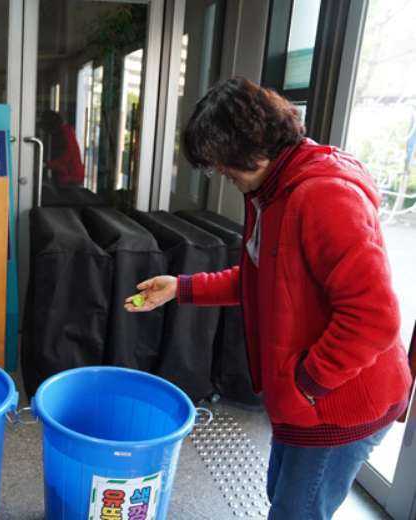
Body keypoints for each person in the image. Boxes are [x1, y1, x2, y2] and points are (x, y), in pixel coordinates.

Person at [125, 77, 412, 520]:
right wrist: (181, 288)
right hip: (305, 404)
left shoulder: (322, 196)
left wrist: (306, 383)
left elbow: (375, 318)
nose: (223, 175)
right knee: (283, 494)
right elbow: (266, 279)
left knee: (295, 511)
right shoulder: (272, 188)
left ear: (252, 146)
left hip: (337, 406)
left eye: (224, 165)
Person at [39, 110, 85, 187]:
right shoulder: (64, 132)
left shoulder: (64, 133)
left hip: (71, 177)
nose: (46, 132)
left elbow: (67, 156)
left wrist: (48, 165)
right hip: (69, 176)